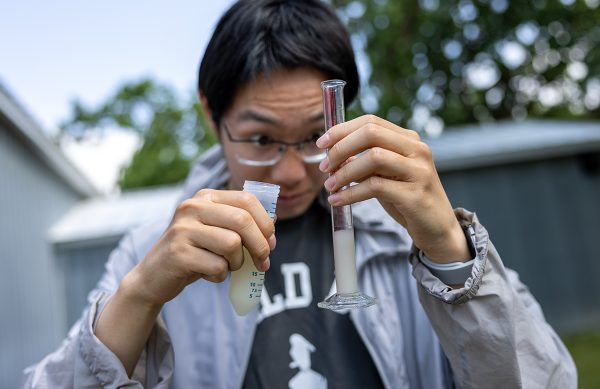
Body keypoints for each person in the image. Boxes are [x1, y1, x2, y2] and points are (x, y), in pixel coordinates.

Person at [23, 1, 577, 388]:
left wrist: (451, 252)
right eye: (261, 138)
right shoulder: (150, 252)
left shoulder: (405, 231)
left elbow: (546, 381)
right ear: (210, 113)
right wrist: (141, 294)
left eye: (315, 136)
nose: (290, 171)